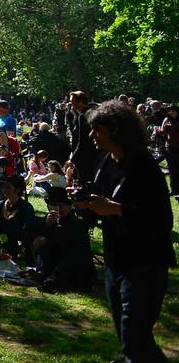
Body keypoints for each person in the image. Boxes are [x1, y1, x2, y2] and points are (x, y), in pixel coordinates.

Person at [75, 99, 175, 362]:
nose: (91, 135)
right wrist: (86, 203)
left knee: (134, 339)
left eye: (97, 130)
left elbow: (162, 220)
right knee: (130, 338)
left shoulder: (144, 167)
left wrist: (116, 209)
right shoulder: (105, 161)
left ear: (115, 130)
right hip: (115, 259)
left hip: (145, 262)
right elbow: (101, 201)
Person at [30, 186, 94, 293]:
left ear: (69, 207)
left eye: (61, 205)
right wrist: (46, 226)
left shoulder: (77, 225)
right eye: (54, 205)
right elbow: (32, 239)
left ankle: (53, 280)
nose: (58, 209)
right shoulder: (47, 221)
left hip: (72, 268)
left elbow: (74, 253)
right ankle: (43, 274)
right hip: (53, 263)